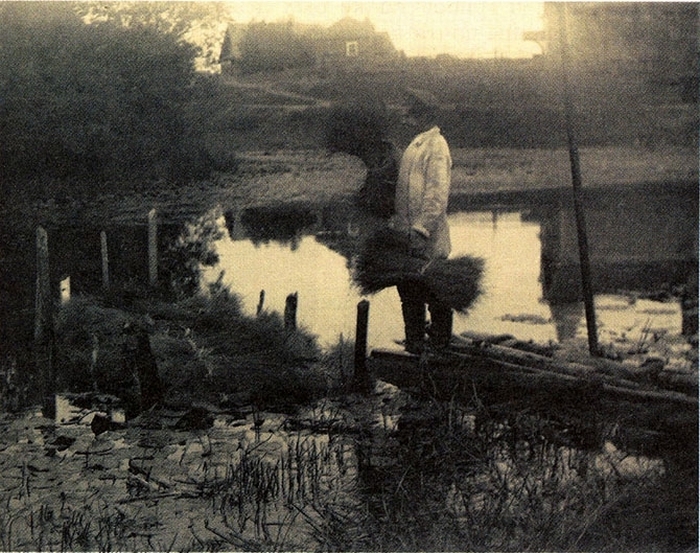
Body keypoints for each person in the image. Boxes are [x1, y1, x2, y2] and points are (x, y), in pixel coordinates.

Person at [391, 89, 453, 353]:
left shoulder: (436, 145)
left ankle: (439, 347)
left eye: (409, 110)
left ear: (422, 114)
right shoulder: (415, 145)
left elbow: (437, 194)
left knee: (436, 291)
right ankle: (415, 346)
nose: (404, 114)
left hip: (427, 238)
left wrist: (421, 230)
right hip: (407, 236)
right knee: (409, 292)